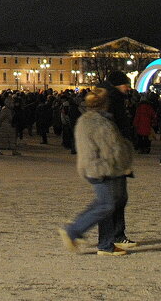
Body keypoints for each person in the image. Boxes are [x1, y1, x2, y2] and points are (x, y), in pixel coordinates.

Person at [57, 88, 136, 256]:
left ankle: (105, 244)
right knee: (107, 205)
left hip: (91, 167)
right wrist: (124, 163)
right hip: (102, 168)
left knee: (104, 203)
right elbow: (112, 149)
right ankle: (74, 230)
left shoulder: (85, 120)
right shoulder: (101, 123)